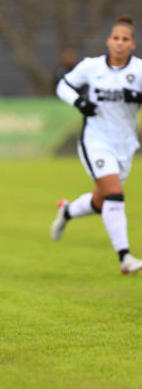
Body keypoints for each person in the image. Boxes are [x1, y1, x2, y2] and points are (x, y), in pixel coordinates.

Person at [51, 15, 142, 275]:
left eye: (126, 39)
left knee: (101, 201)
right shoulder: (92, 67)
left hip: (125, 144)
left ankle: (67, 210)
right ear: (109, 41)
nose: (120, 43)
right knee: (115, 193)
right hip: (96, 141)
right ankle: (125, 258)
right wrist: (80, 103)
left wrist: (138, 95)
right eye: (116, 38)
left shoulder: (138, 71)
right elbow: (63, 86)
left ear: (133, 44)